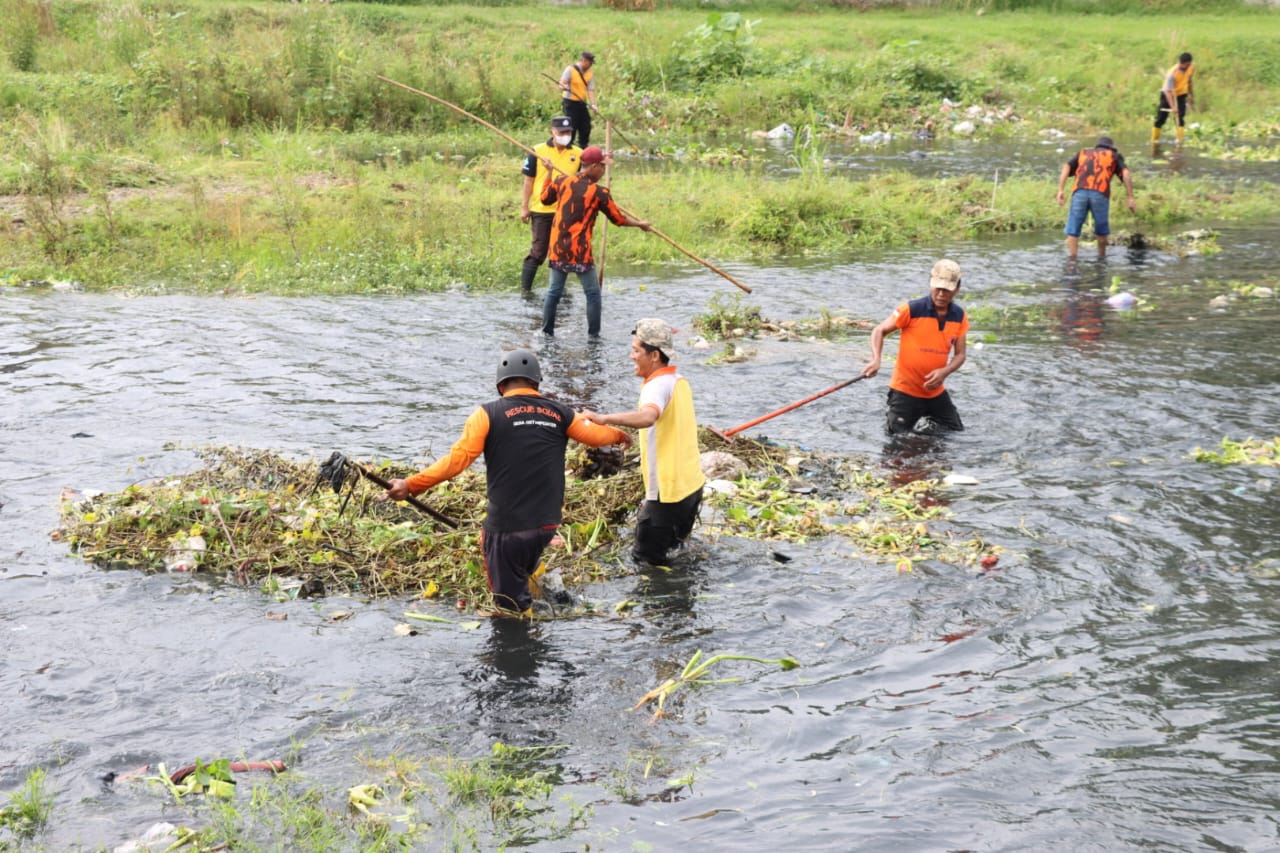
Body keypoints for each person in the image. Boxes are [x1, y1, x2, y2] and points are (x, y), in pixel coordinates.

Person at [385, 349, 630, 616]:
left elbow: (458, 461)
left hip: (507, 529)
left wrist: (411, 484)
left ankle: (523, 625)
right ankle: (536, 598)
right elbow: (596, 436)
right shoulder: (561, 413)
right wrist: (619, 435)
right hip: (548, 524)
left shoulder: (486, 414)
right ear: (536, 383)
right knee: (523, 564)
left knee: (509, 610)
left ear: (501, 385)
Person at [583, 319, 705, 565]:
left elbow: (648, 416)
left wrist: (604, 418)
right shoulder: (678, 381)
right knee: (675, 554)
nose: (631, 356)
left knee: (646, 562)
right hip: (691, 488)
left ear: (655, 355)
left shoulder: (656, 386)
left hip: (667, 494)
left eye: (636, 350)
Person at [541, 146, 650, 337]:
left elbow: (544, 199)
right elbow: (618, 219)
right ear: (592, 167)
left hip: (558, 248)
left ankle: (546, 332)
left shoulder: (562, 181)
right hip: (580, 252)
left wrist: (549, 173)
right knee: (592, 295)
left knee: (554, 292)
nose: (603, 171)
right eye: (602, 167)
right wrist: (639, 224)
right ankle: (593, 336)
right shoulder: (599, 193)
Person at [862, 260, 969, 436]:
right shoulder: (912, 309)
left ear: (957, 289)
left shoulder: (959, 316)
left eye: (947, 290)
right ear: (930, 283)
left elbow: (960, 354)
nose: (941, 294)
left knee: (955, 433)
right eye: (937, 288)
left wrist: (945, 372)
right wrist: (876, 359)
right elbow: (879, 330)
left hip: (935, 392)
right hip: (905, 390)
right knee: (896, 439)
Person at [520, 115, 582, 295]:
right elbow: (528, 181)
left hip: (566, 211)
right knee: (539, 251)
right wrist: (525, 206)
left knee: (563, 252)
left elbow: (589, 172)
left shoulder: (578, 153)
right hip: (541, 209)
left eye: (568, 132)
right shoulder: (538, 151)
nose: (565, 135)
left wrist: (604, 160)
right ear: (552, 132)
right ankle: (526, 291)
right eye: (561, 132)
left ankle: (558, 290)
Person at [1056, 136, 1136, 258]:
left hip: (1079, 192)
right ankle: (1101, 259)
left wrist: (1061, 190)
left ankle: (1072, 260)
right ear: (1111, 147)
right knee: (1101, 229)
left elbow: (1066, 166)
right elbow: (1125, 174)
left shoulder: (1083, 153)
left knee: (1073, 228)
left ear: (1097, 146)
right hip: (1100, 193)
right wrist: (1130, 196)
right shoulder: (1113, 155)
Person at [1152, 52, 1195, 146]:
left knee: (1180, 117)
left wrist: (1191, 96)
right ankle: (1154, 141)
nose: (1188, 66)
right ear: (1182, 63)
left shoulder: (1191, 68)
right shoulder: (1172, 73)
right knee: (1161, 118)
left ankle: (1179, 141)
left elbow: (1190, 81)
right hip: (1168, 94)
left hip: (1181, 94)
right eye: (1187, 64)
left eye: (1189, 64)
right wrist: (1173, 107)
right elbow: (1167, 91)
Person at [559, 50, 598, 148]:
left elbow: (590, 90)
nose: (590, 65)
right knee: (572, 127)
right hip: (570, 103)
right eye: (590, 63)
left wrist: (593, 104)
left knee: (586, 126)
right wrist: (564, 87)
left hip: (581, 103)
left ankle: (583, 147)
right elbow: (561, 84)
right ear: (584, 61)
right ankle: (568, 148)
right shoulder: (570, 69)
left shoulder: (589, 73)